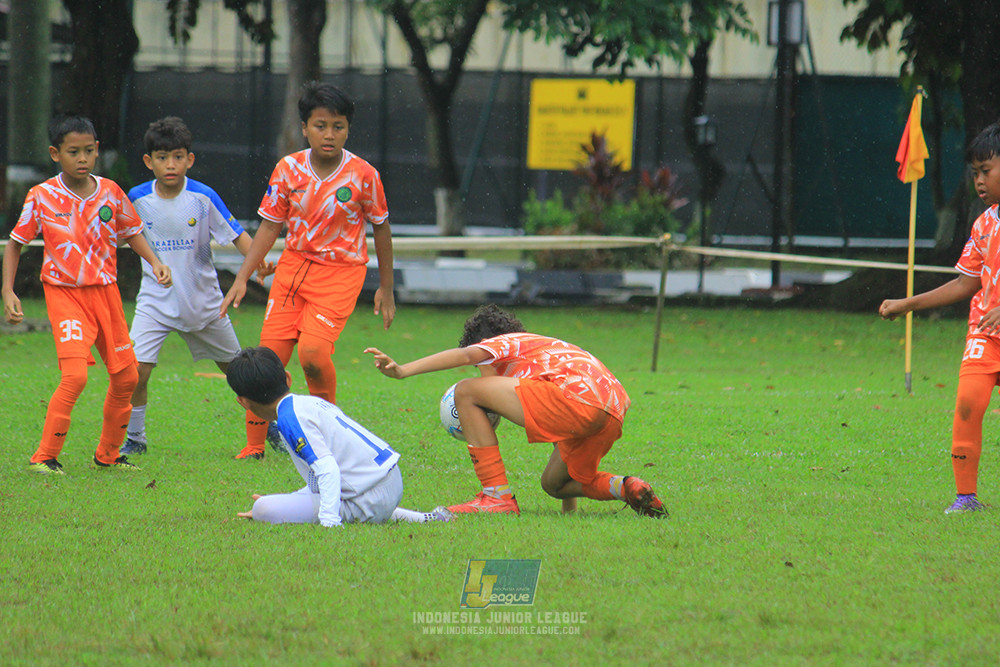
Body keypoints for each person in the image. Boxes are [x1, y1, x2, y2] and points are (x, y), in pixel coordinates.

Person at [220, 81, 395, 459]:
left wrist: (387, 287)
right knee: (266, 359)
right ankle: (254, 446)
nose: (329, 134)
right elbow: (269, 226)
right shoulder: (288, 170)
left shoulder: (364, 175)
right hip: (293, 271)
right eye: (320, 125)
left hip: (341, 274)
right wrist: (241, 276)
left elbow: (381, 228)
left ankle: (326, 434)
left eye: (338, 126)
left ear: (348, 129)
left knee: (313, 355)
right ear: (304, 128)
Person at [364, 304, 668, 518]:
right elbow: (564, 429)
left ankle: (496, 497)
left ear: (488, 347)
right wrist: (569, 514)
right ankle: (627, 487)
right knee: (554, 484)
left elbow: (467, 355)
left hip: (577, 401)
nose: (480, 370)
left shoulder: (505, 343)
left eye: (480, 365)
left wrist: (403, 370)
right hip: (612, 408)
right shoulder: (542, 352)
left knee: (465, 392)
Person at [2, 114, 172, 473]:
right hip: (65, 295)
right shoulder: (42, 196)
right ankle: (44, 456)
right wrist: (8, 290)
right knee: (76, 376)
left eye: (89, 150)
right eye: (73, 151)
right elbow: (16, 244)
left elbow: (132, 232)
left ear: (97, 150)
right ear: (55, 154)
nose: (83, 158)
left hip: (106, 294)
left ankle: (108, 454)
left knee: (127, 377)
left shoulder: (110, 192)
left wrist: (156, 262)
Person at [121, 116, 274, 458]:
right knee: (136, 373)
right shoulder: (137, 198)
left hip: (204, 303)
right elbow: (123, 236)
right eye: (162, 157)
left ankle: (271, 424)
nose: (170, 165)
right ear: (148, 161)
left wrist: (259, 262)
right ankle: (135, 438)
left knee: (239, 373)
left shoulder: (203, 197)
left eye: (177, 157)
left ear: (189, 159)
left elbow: (237, 235)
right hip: (155, 302)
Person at [880, 120, 1000, 514]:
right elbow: (965, 283)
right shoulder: (984, 224)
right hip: (985, 335)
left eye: (986, 170)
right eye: (975, 173)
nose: (978, 180)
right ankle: (965, 498)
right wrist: (908, 304)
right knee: (967, 404)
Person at [226, 346, 450, 525]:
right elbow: (319, 478)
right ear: (288, 378)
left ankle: (367, 515)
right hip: (388, 482)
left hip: (369, 496)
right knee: (279, 503)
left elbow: (328, 469)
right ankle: (424, 518)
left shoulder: (289, 419)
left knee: (263, 508)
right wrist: (292, 501)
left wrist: (329, 521)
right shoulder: (307, 403)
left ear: (243, 402)